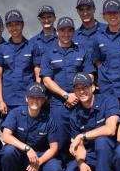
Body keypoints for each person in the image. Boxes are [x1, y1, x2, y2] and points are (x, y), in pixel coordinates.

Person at [40, 16, 94, 160]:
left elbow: (90, 75)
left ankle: (85, 168)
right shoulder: (49, 53)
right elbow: (46, 79)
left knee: (82, 138)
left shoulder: (81, 51)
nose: (66, 34)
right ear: (57, 32)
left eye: (70, 30)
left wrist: (77, 95)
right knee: (61, 140)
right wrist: (65, 95)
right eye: (62, 30)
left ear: (73, 32)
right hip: (59, 104)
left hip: (80, 103)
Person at [0, 83, 63, 171]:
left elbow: (54, 147)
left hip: (38, 156)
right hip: (19, 154)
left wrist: (39, 162)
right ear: (26, 98)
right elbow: (6, 136)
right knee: (8, 152)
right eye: (32, 97)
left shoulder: (48, 119)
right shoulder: (16, 113)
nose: (35, 100)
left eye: (39, 98)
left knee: (56, 169)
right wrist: (27, 148)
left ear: (43, 100)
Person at [62, 73, 119, 171]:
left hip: (111, 152)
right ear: (74, 92)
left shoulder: (108, 100)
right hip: (91, 155)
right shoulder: (74, 114)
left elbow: (110, 129)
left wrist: (82, 135)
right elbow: (79, 146)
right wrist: (81, 163)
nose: (82, 91)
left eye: (85, 87)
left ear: (93, 87)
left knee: (101, 140)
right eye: (78, 89)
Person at [0, 10, 41, 117]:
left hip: (28, 99)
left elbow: (38, 76)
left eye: (17, 24)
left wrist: (39, 97)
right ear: (7, 27)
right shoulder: (1, 49)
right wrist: (0, 101)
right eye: (10, 25)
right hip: (8, 100)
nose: (14, 28)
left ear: (22, 25)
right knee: (7, 131)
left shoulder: (32, 47)